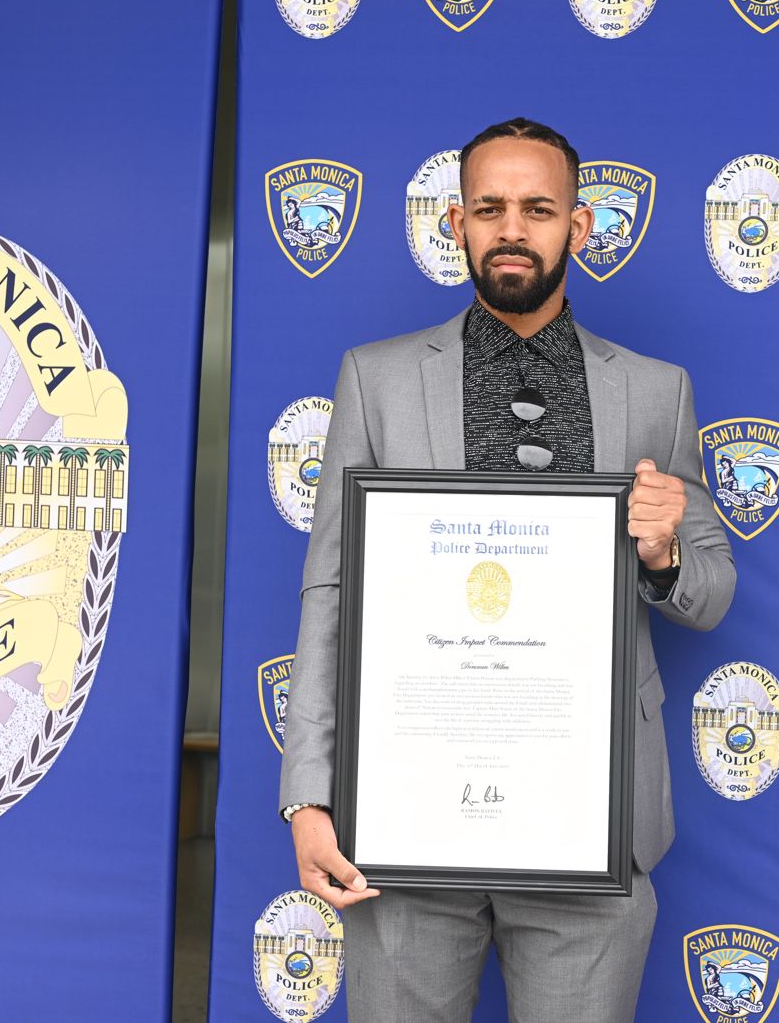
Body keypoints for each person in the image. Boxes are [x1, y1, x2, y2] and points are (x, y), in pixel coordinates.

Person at [278, 117, 736, 1022]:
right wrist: (309, 796)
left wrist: (664, 553)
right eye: (489, 208)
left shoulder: (654, 390)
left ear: (581, 225)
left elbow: (713, 591)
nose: (512, 228)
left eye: (537, 208)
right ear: (455, 224)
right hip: (404, 826)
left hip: (591, 834)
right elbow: (332, 588)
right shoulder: (376, 378)